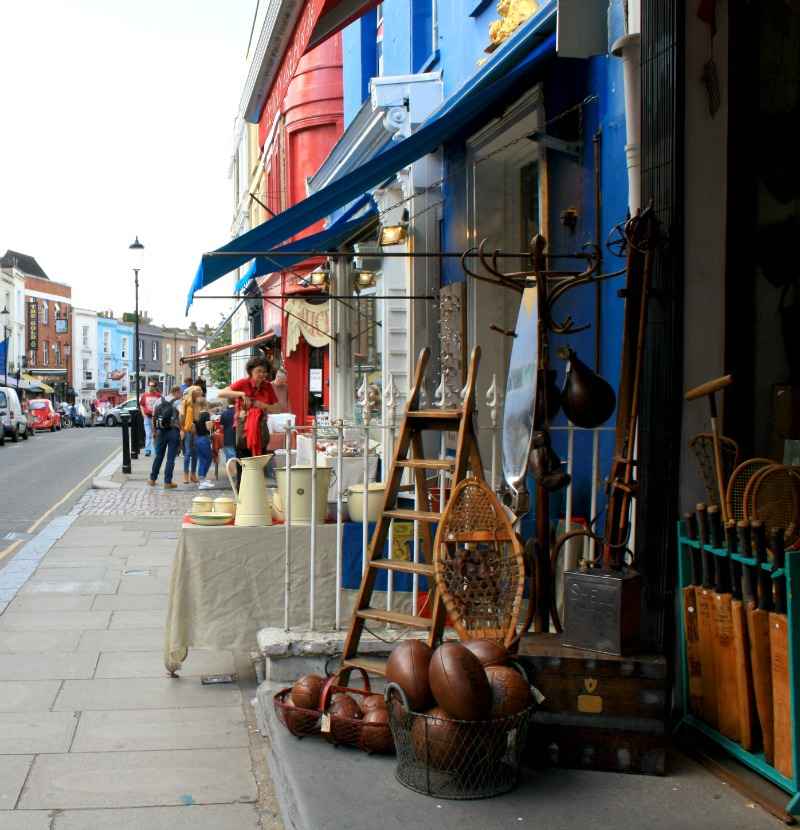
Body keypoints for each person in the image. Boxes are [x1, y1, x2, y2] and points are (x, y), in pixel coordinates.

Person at [218, 355, 281, 462]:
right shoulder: (243, 383)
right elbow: (221, 393)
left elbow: (278, 408)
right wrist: (241, 394)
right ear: (251, 371)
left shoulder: (268, 386)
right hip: (243, 428)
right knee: (243, 462)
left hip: (261, 428)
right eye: (259, 371)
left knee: (259, 462)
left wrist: (263, 405)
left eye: (264, 372)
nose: (262, 374)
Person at [148, 385, 182, 489]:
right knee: (170, 458)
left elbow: (154, 416)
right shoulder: (177, 402)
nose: (180, 395)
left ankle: (152, 479)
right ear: (176, 392)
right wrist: (181, 428)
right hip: (173, 431)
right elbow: (181, 416)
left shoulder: (159, 400)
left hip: (160, 431)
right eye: (180, 393)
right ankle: (167, 482)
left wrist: (154, 431)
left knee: (159, 456)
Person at [180, 385, 202, 484]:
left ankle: (193, 474)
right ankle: (185, 475)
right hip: (187, 429)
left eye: (200, 392)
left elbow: (198, 417)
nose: (199, 393)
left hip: (196, 430)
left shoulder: (198, 403)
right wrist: (182, 429)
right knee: (188, 453)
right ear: (193, 392)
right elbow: (181, 416)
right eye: (198, 391)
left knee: (195, 453)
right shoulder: (185, 402)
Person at [139, 380, 162, 457]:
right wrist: (143, 414)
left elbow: (161, 406)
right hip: (147, 417)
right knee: (148, 434)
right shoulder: (145, 395)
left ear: (155, 387)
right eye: (150, 386)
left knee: (155, 435)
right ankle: (148, 450)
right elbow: (141, 405)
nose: (151, 387)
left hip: (156, 418)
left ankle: (156, 450)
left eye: (153, 386)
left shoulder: (159, 396)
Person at [194, 400, 214, 489]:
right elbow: (208, 427)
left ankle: (202, 479)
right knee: (208, 458)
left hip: (198, 438)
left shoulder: (196, 415)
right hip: (204, 438)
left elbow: (194, 428)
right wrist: (212, 422)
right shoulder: (206, 414)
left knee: (202, 459)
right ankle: (202, 480)